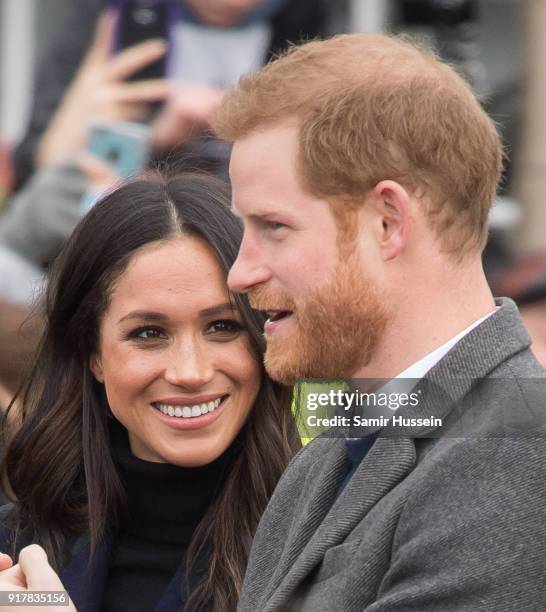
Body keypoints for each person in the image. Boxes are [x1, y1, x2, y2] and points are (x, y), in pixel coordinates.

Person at [214, 33, 546, 610]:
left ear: (388, 222)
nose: (239, 274)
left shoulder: (514, 456)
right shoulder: (332, 450)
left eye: (274, 226)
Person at [0, 174, 300, 611]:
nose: (190, 372)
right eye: (149, 333)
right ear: (92, 353)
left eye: (223, 327)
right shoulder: (15, 553)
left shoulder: (327, 544)